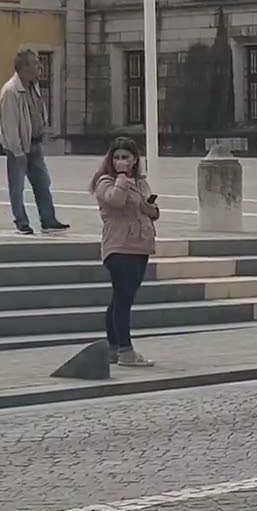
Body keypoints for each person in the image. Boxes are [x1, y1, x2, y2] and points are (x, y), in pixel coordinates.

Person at [91, 137, 158, 366]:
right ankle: (126, 350)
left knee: (121, 297)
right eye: (116, 157)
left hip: (140, 245)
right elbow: (116, 201)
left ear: (134, 160)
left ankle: (113, 348)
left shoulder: (141, 183)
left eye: (125, 157)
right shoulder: (105, 182)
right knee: (123, 299)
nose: (120, 161)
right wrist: (121, 179)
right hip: (119, 246)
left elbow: (150, 210)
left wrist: (151, 208)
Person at [0, 49, 69, 235]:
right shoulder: (11, 91)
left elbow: (37, 111)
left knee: (42, 182)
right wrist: (17, 151)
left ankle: (48, 220)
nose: (40, 67)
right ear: (24, 67)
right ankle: (21, 221)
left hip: (34, 143)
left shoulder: (33, 86)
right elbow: (9, 125)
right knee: (17, 186)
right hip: (18, 146)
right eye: (36, 63)